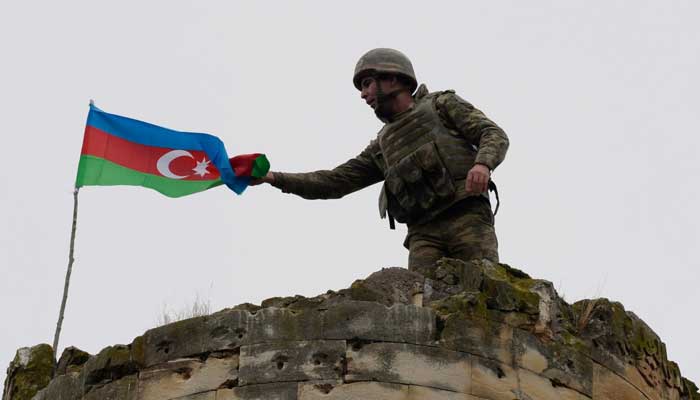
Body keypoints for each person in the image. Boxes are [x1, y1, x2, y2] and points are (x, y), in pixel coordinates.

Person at [252, 48, 509, 273]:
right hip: (423, 233)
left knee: (483, 288)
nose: (364, 95)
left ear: (392, 79)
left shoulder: (441, 105)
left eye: (367, 83)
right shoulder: (381, 147)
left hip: (466, 214)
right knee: (423, 308)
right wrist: (272, 178)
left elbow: (493, 133)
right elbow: (334, 182)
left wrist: (482, 164)